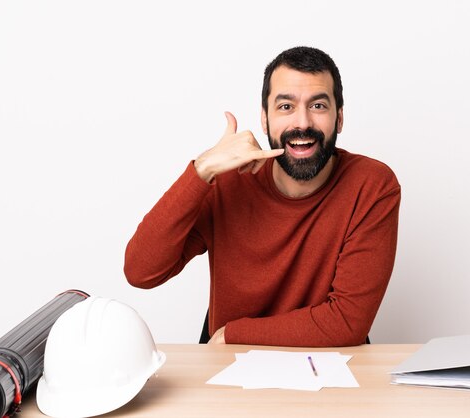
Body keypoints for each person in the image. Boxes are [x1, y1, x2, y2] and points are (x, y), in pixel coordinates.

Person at [124, 46, 401, 347]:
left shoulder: (371, 185)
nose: (303, 123)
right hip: (231, 365)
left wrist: (234, 334)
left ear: (340, 118)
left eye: (318, 106)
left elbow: (347, 321)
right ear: (265, 120)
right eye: (286, 107)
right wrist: (201, 170)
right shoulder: (230, 180)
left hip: (326, 362)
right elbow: (141, 272)